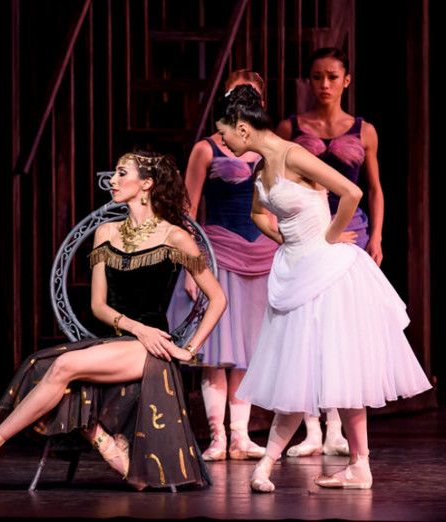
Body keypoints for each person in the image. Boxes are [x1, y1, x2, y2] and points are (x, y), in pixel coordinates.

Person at [0, 151, 227, 493]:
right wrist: (135, 326)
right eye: (113, 173)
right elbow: (97, 306)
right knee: (42, 366)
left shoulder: (175, 237)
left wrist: (189, 350)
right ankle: (106, 443)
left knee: (64, 365)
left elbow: (218, 299)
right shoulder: (106, 232)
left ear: (146, 185)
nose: (112, 180)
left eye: (121, 173)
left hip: (150, 350)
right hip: (114, 340)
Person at [215, 85, 430, 492]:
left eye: (224, 132)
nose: (222, 141)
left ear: (242, 129)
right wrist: (285, 241)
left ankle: (354, 464)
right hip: (296, 271)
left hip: (328, 273)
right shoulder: (262, 169)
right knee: (298, 373)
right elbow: (259, 212)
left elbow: (352, 191)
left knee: (342, 369)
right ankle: (277, 465)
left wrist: (329, 237)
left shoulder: (295, 155)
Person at [275, 46, 385, 458]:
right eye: (317, 76)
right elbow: (279, 186)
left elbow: (373, 188)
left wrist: (376, 237)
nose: (324, 84)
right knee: (308, 332)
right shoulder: (291, 127)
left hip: (351, 238)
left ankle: (338, 428)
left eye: (332, 77)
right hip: (308, 238)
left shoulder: (364, 130)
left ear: (346, 80)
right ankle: (312, 429)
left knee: (343, 333)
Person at [168, 70, 277, 462]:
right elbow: (188, 211)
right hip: (219, 254)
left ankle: (240, 435)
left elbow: (275, 208)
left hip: (261, 254)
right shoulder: (206, 149)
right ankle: (216, 437)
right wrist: (189, 266)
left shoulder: (268, 148)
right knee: (217, 350)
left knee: (247, 350)